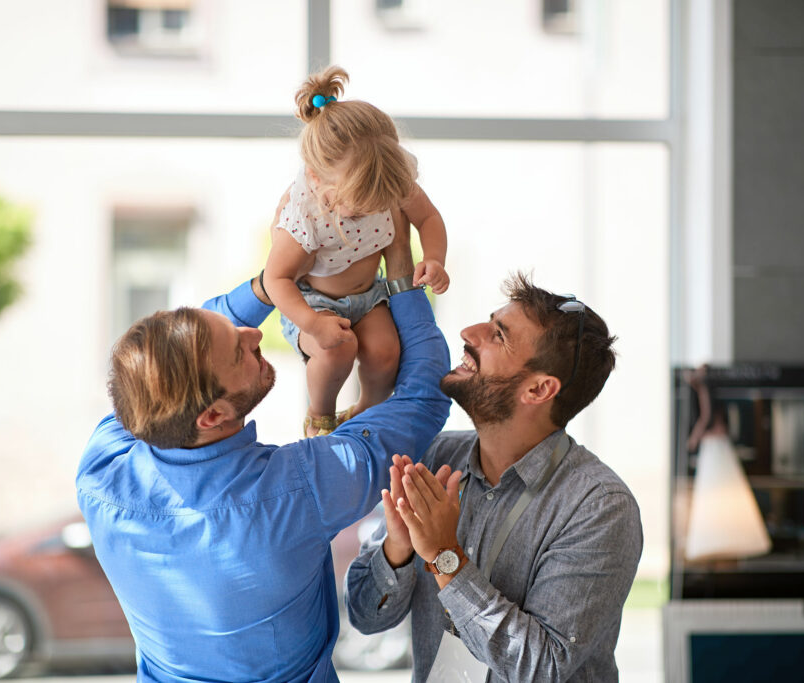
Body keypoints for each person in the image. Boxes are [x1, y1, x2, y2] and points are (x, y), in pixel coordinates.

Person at [75, 238, 451, 683]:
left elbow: (160, 361)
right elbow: (424, 395)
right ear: (211, 415)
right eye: (238, 351)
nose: (255, 332)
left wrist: (273, 283)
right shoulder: (302, 488)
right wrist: (402, 273)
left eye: (235, 327)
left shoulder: (100, 471)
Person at [346, 272, 643, 682]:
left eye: (499, 335)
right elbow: (364, 618)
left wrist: (444, 557)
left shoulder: (599, 506)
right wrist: (398, 549)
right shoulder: (433, 457)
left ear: (539, 390)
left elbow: (543, 667)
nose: (469, 333)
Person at [263, 65, 450, 437]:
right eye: (361, 207)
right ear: (317, 181)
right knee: (337, 350)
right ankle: (320, 416)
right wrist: (312, 323)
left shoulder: (386, 178)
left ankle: (368, 410)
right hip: (313, 304)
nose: (377, 209)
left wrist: (434, 257)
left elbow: (428, 217)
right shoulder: (304, 214)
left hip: (368, 295)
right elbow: (276, 278)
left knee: (385, 353)